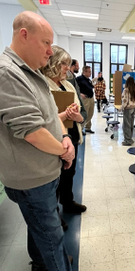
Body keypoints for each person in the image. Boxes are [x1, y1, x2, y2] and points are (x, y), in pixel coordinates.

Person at [0, 12, 78, 271]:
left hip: (44, 173)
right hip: (31, 178)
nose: (50, 51)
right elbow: (32, 132)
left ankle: (41, 262)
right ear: (24, 35)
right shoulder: (5, 73)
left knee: (39, 227)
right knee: (52, 236)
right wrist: (64, 151)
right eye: (46, 42)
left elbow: (51, 117)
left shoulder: (32, 72)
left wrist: (65, 138)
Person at [42, 46, 87, 216]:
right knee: (55, 178)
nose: (68, 68)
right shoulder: (42, 86)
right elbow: (41, 120)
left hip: (73, 137)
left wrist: (78, 117)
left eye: (68, 64)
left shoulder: (69, 85)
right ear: (52, 63)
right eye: (64, 64)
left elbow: (82, 112)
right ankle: (54, 214)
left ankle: (67, 202)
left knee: (69, 173)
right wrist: (62, 116)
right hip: (54, 140)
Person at [77, 64, 95, 134]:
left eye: (90, 71)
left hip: (91, 98)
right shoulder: (79, 79)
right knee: (85, 114)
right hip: (85, 99)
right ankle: (81, 128)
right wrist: (80, 94)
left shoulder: (88, 80)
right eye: (89, 72)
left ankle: (88, 127)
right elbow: (74, 87)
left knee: (90, 113)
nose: (90, 73)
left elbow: (91, 87)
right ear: (84, 72)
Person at [120, 75, 135, 146]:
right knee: (131, 124)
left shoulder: (126, 90)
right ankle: (130, 139)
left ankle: (128, 141)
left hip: (127, 109)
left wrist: (121, 108)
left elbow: (125, 101)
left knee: (126, 125)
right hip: (133, 108)